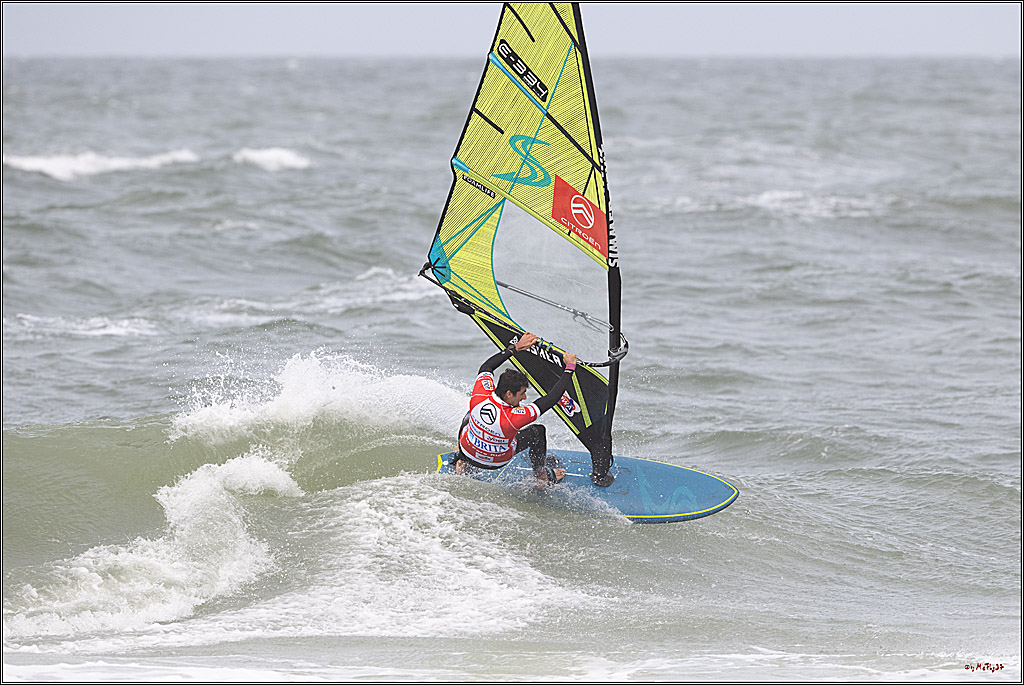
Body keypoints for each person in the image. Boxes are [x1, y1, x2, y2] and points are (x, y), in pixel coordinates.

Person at [455, 332, 576, 486]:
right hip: (496, 462)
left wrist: (515, 348)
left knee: (471, 413)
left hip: (468, 452)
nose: (524, 398)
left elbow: (487, 366)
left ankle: (461, 459)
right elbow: (552, 398)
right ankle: (541, 475)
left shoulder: (480, 394)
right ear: (509, 394)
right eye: (522, 394)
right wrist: (570, 367)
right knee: (538, 432)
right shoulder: (515, 417)